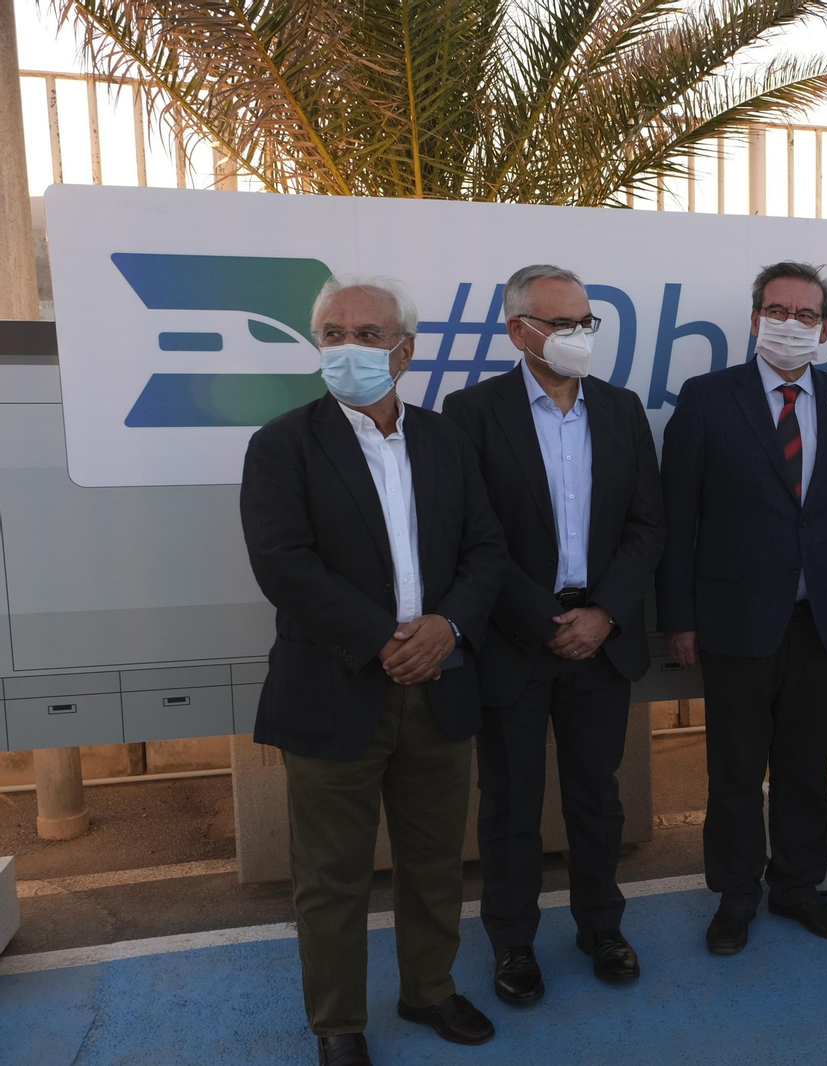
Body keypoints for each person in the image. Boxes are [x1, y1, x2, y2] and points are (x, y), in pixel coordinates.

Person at [239, 277, 508, 1066]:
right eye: (333, 333)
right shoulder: (282, 444)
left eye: (367, 333)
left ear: (405, 350)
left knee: (433, 861)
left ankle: (430, 990)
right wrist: (384, 638)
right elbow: (282, 565)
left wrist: (447, 627)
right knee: (331, 876)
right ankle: (338, 1023)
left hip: (440, 685)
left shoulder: (447, 441)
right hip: (334, 689)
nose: (348, 347)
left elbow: (486, 548)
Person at [442, 265, 664, 1000]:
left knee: (596, 798)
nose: (576, 338)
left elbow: (644, 526)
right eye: (561, 324)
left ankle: (602, 927)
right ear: (519, 331)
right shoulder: (471, 413)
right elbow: (472, 538)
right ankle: (513, 945)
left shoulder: (622, 410)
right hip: (515, 641)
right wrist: (544, 621)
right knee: (510, 803)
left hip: (600, 641)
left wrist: (603, 614)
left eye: (584, 324)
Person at [658, 261, 827, 956]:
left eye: (806, 314)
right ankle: (734, 895)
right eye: (778, 311)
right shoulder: (707, 398)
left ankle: (797, 887)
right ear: (755, 319)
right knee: (733, 771)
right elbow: (679, 516)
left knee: (807, 768)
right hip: (732, 624)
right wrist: (679, 618)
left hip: (823, 625)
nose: (791, 324)